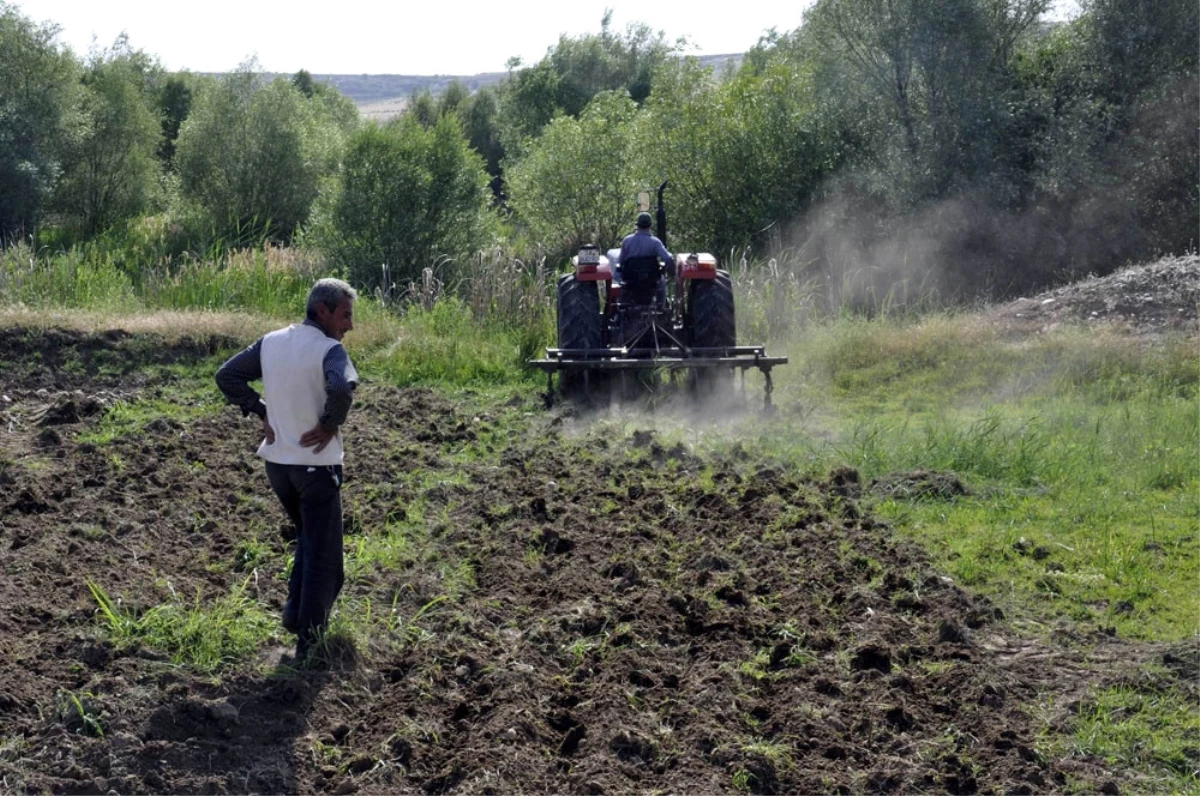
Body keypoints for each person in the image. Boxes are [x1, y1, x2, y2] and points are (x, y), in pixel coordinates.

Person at [215, 278, 359, 663]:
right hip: (315, 468)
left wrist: (262, 410)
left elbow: (226, 376)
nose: (349, 325)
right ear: (323, 310)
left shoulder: (271, 342)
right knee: (326, 560)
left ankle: (296, 616)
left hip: (279, 466)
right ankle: (310, 645)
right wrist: (330, 424)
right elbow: (344, 388)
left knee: (309, 541)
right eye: (345, 315)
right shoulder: (330, 351)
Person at [617, 212, 675, 303]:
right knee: (662, 282)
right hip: (651, 279)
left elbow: (620, 261)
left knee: (621, 284)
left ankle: (622, 303)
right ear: (650, 225)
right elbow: (667, 258)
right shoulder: (655, 242)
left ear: (637, 225)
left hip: (630, 278)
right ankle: (662, 305)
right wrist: (672, 271)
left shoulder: (627, 241)